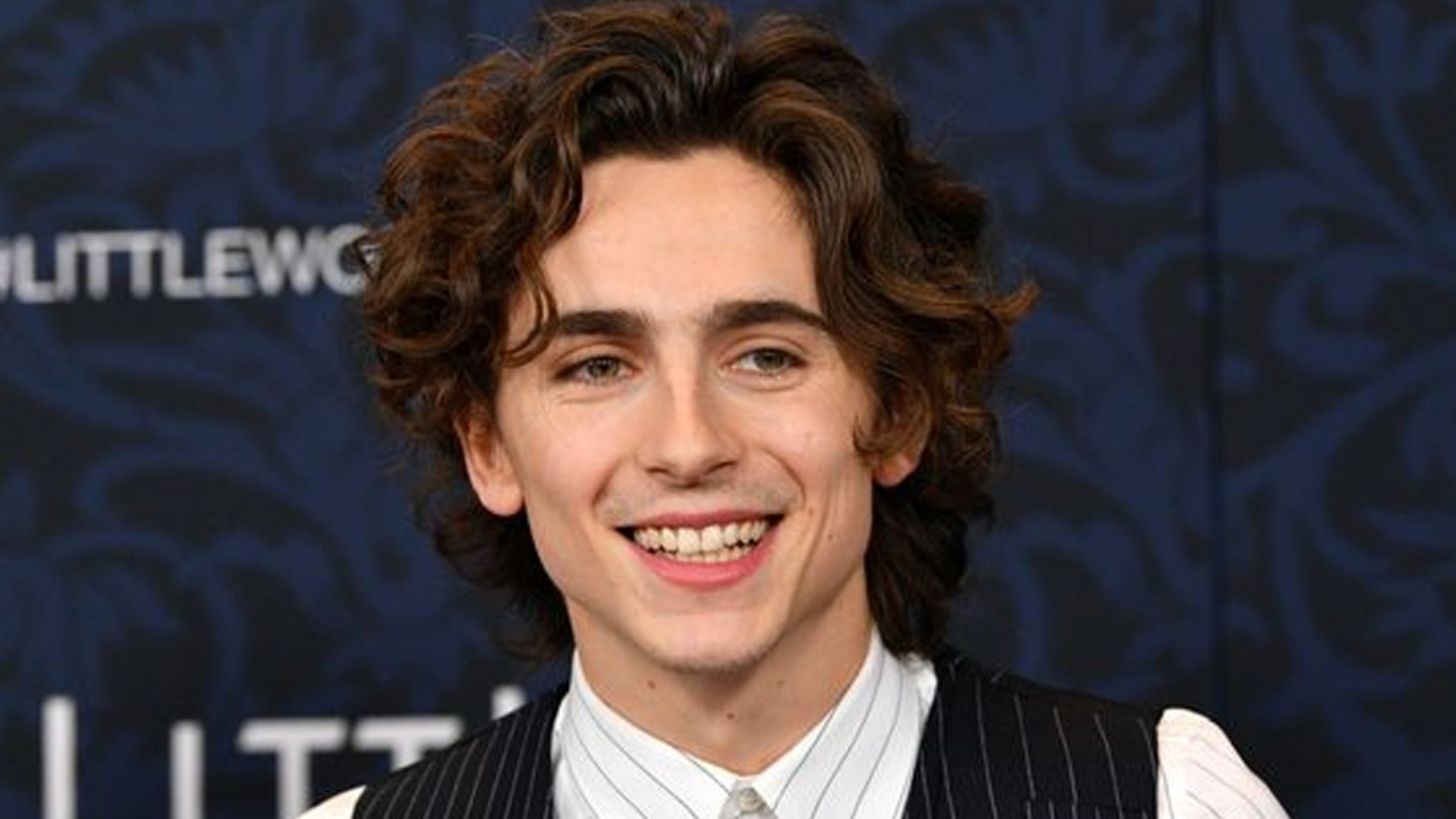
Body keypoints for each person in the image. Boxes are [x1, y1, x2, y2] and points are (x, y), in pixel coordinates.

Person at [305, 2, 1286, 816]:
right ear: (488, 446)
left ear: (896, 409)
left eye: (765, 356)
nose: (689, 443)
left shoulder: (1163, 800)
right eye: (598, 366)